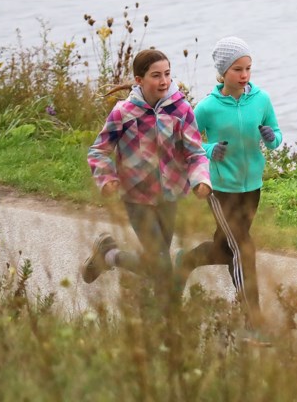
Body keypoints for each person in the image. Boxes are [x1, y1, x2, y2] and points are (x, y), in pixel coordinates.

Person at [82, 49, 212, 304]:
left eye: (167, 74)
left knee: (157, 262)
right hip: (136, 197)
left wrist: (201, 180)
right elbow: (99, 150)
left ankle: (108, 256)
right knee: (161, 265)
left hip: (169, 196)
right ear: (139, 80)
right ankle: (165, 324)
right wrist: (106, 178)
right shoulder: (124, 112)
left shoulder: (181, 109)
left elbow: (195, 152)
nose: (163, 81)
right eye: (156, 76)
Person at [172, 36, 283, 334]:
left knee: (225, 249)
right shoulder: (208, 107)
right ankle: (253, 321)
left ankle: (186, 261)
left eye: (248, 68)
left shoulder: (261, 100)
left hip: (252, 187)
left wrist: (272, 137)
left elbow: (277, 135)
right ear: (223, 72)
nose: (244, 75)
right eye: (237, 69)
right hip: (220, 189)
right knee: (243, 249)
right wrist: (209, 151)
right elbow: (187, 142)